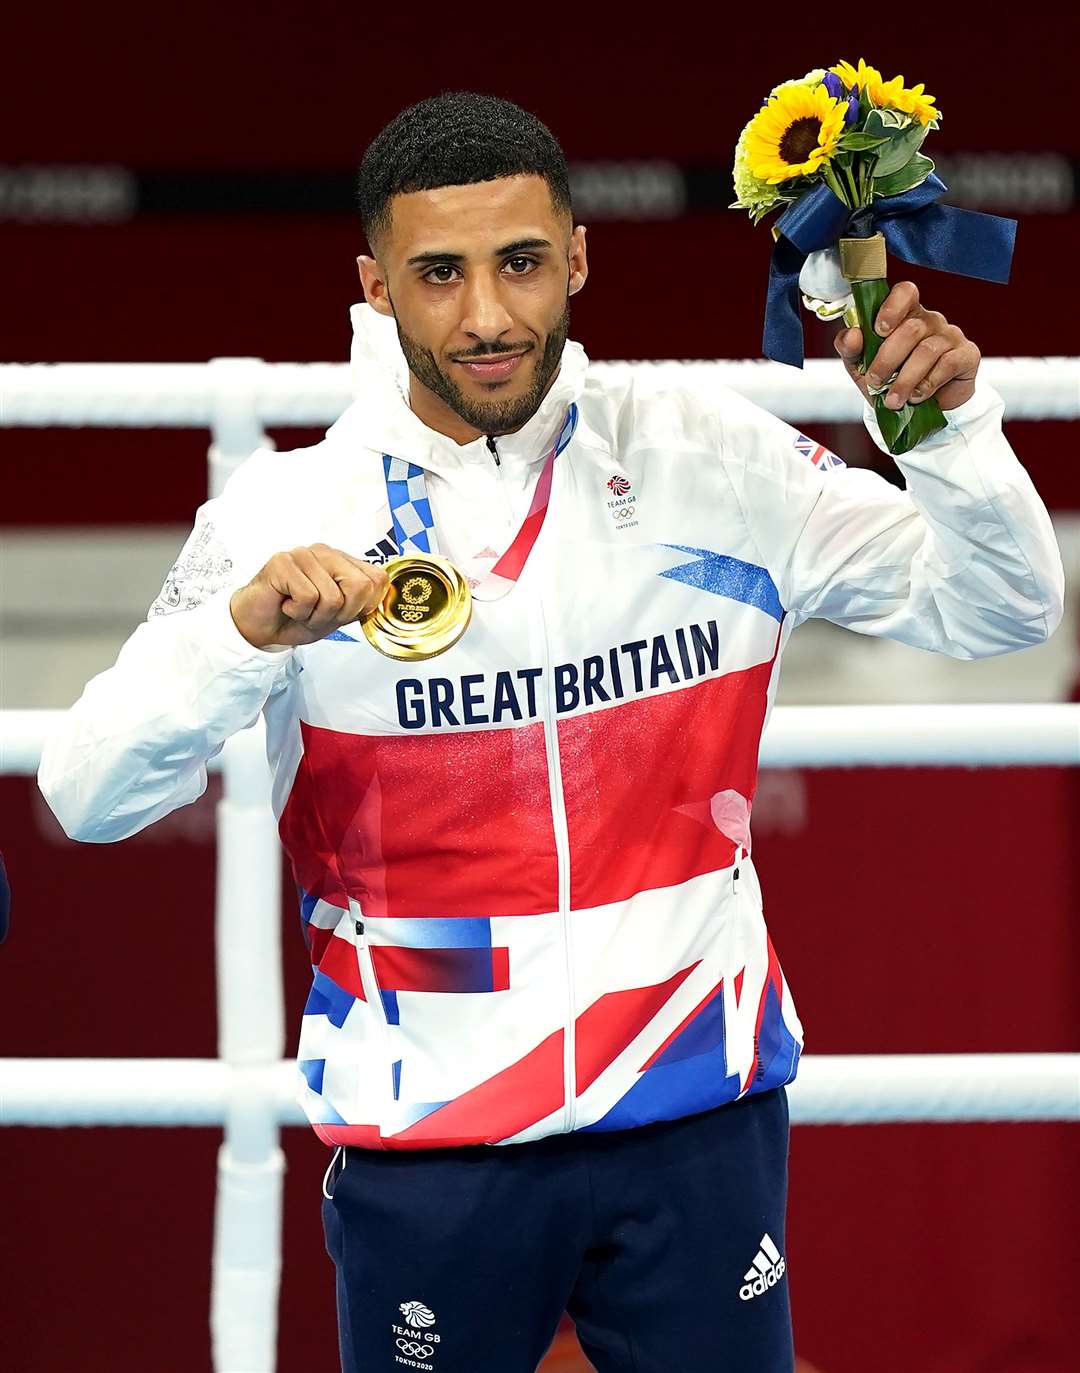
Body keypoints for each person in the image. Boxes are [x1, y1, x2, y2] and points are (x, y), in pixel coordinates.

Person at [38, 91, 1064, 1373]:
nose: (486, 315)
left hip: (696, 1113)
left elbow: (1006, 608)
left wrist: (947, 432)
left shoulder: (711, 458)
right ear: (375, 287)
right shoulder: (285, 513)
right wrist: (234, 639)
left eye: (521, 263)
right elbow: (83, 792)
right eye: (440, 273)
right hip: (435, 1146)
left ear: (577, 256)